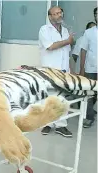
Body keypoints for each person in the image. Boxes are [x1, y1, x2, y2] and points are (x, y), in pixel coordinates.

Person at [38, 6, 73, 137]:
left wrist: (71, 70)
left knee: (63, 99)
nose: (59, 15)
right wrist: (68, 41)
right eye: (56, 13)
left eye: (60, 12)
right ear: (50, 16)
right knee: (49, 98)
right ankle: (47, 124)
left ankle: (61, 125)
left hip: (64, 71)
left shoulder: (65, 31)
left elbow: (67, 52)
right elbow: (50, 46)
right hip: (50, 70)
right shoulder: (44, 29)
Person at [79, 7, 97, 128]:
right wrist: (81, 68)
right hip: (91, 67)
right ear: (95, 16)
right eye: (97, 14)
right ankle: (89, 117)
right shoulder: (89, 32)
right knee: (90, 93)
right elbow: (83, 50)